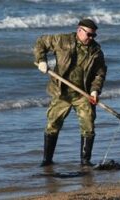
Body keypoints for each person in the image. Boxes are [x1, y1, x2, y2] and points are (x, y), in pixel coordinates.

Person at [34, 19, 107, 167]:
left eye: (94, 36)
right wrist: (41, 60)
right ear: (79, 30)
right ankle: (47, 161)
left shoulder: (96, 51)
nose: (91, 38)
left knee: (88, 125)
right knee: (52, 124)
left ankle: (85, 161)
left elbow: (100, 73)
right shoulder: (62, 40)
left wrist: (94, 91)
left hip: (83, 94)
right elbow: (41, 42)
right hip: (61, 92)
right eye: (89, 35)